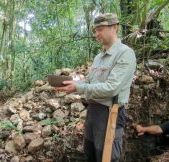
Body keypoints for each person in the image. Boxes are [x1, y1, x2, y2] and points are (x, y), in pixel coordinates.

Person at [55, 13, 136, 162]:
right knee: (90, 152)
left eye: (100, 29)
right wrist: (73, 85)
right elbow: (90, 82)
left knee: (107, 157)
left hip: (110, 112)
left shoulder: (125, 53)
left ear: (114, 28)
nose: (96, 34)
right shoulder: (98, 57)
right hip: (93, 110)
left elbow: (112, 88)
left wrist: (79, 88)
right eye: (95, 30)